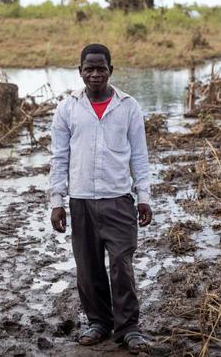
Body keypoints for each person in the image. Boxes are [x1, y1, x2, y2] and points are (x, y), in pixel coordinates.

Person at [48, 43, 153, 354]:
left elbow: (140, 156)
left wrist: (143, 196)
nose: (95, 74)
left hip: (119, 200)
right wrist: (57, 200)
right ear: (80, 71)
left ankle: (129, 328)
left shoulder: (128, 106)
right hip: (80, 201)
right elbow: (59, 157)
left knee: (122, 264)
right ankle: (98, 322)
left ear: (111, 70)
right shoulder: (67, 108)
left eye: (101, 68)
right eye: (88, 69)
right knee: (88, 266)